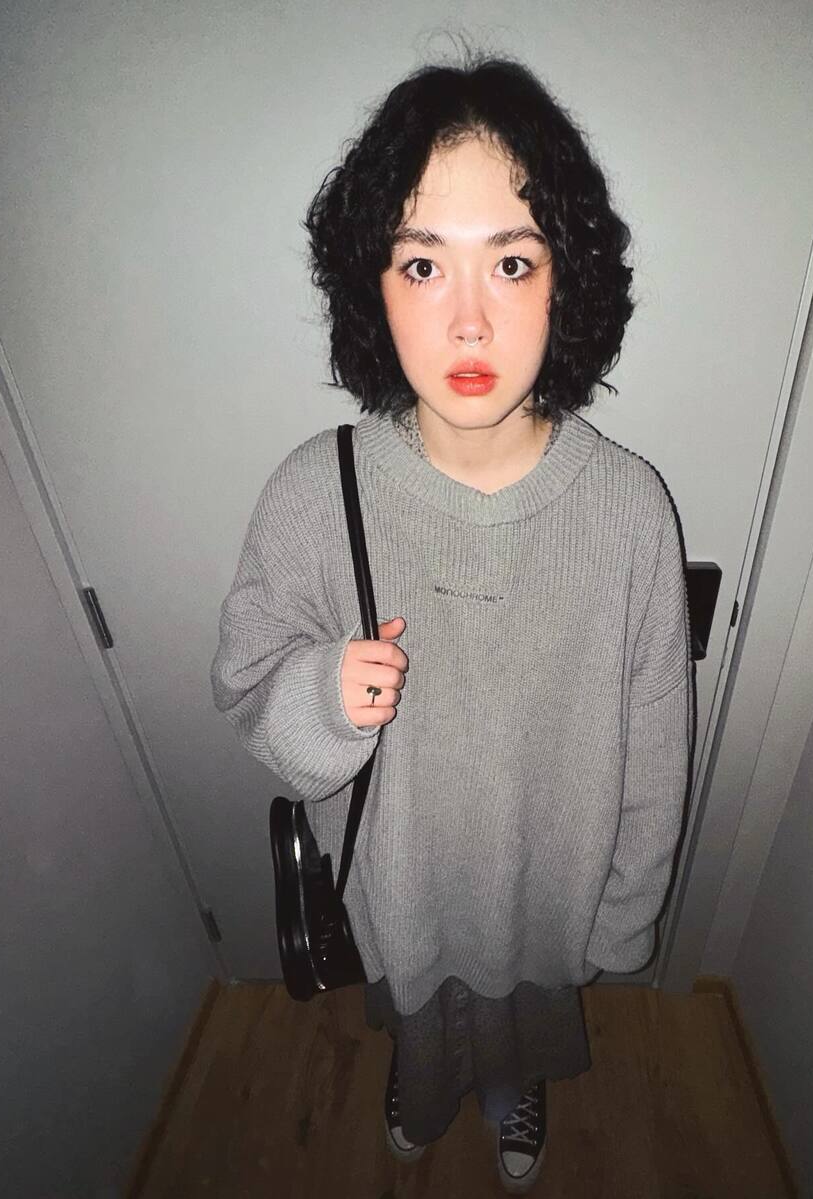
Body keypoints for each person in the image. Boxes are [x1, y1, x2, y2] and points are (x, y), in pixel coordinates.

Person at [211, 49, 694, 1194]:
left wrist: (623, 918)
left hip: (548, 899)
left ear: (564, 279)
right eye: (423, 263)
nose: (468, 319)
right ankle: (423, 1082)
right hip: (400, 894)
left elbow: (658, 747)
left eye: (511, 262)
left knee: (521, 1029)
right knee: (421, 1033)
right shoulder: (312, 489)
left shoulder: (630, 508)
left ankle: (513, 1082)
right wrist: (324, 694)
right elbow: (246, 684)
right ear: (372, 285)